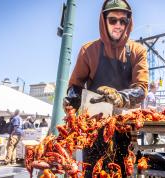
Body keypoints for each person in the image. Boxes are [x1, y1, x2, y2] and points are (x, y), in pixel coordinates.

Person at [63, 0, 148, 177]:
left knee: (124, 171)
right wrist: (71, 100)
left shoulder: (137, 51)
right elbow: (75, 85)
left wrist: (121, 97)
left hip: (125, 127)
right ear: (103, 21)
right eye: (113, 20)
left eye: (123, 21)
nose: (118, 25)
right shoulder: (88, 50)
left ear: (128, 23)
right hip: (94, 128)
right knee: (91, 172)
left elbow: (141, 89)